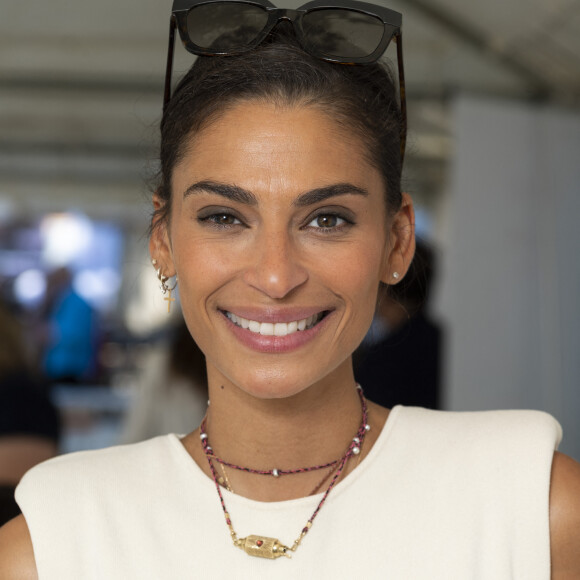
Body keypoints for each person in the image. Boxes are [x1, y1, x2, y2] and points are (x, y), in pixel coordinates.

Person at [1, 1, 579, 577]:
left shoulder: (531, 505)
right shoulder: (57, 537)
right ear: (162, 238)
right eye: (225, 217)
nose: (275, 277)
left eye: (327, 219)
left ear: (397, 240)